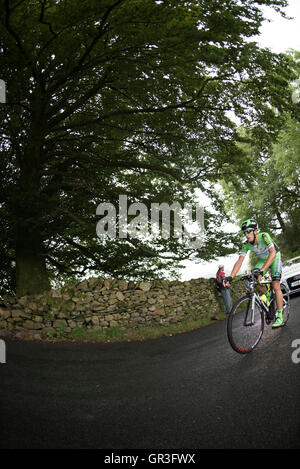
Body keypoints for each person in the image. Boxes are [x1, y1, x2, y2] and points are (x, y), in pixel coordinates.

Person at [226, 218, 284, 328]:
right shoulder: (247, 244)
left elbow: (272, 253)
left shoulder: (264, 236)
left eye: (248, 231)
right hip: (263, 260)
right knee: (254, 279)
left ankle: (280, 316)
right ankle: (267, 295)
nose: (247, 235)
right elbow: (240, 261)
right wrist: (231, 277)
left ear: (255, 231)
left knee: (276, 285)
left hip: (274, 257)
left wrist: (262, 270)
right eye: (244, 233)